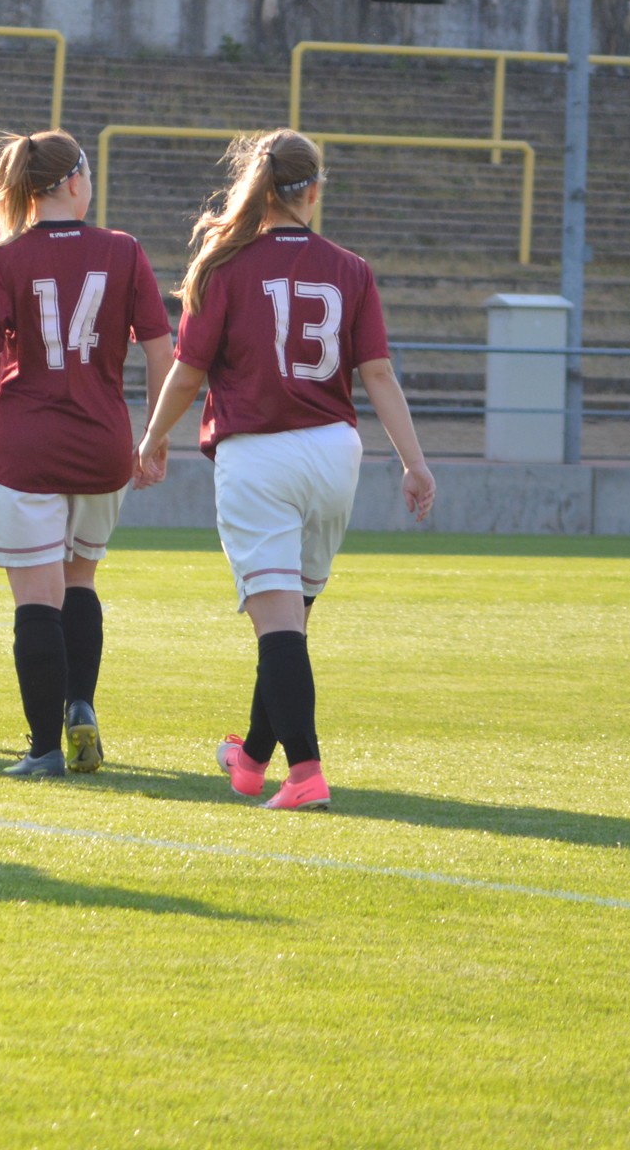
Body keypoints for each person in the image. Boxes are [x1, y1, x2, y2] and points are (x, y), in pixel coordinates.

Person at [134, 130, 439, 812]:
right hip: (335, 453)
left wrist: (153, 439)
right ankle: (250, 761)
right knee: (287, 624)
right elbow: (379, 374)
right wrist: (414, 463)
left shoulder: (223, 263)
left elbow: (187, 373)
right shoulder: (350, 267)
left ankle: (305, 774)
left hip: (259, 453)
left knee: (277, 627)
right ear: (314, 189)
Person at [0, 130, 173, 778]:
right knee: (80, 579)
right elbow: (163, 353)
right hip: (104, 443)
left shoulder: (1, 259)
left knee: (36, 600)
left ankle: (44, 748)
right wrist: (154, 437)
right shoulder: (123, 251)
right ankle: (80, 705)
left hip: (29, 445)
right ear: (74, 183)